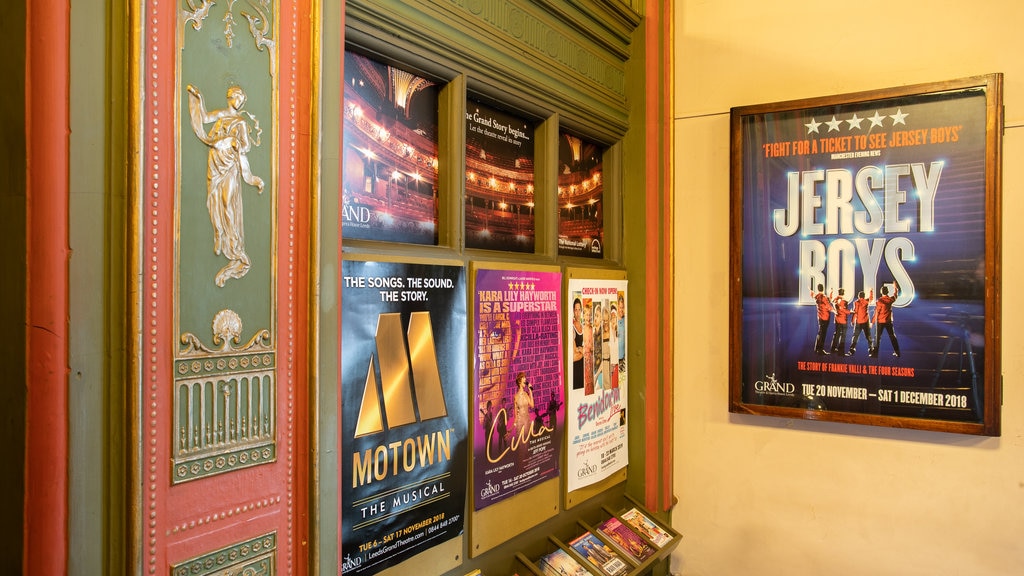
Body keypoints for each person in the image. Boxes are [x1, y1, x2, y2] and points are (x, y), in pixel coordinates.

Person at [186, 84, 265, 287]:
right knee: (214, 200)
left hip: (230, 165)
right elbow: (203, 118)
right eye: (238, 97)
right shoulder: (222, 113)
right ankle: (218, 234)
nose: (240, 101)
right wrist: (198, 98)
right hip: (215, 161)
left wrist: (234, 142)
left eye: (242, 99)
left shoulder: (240, 122)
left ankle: (233, 245)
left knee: (227, 201)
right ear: (231, 97)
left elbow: (246, 146)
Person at [870, 282, 901, 357]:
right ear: (887, 292)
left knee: (877, 338)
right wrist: (895, 288)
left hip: (880, 322)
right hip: (888, 321)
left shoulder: (880, 301)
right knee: (892, 337)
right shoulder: (890, 300)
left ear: (881, 292)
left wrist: (872, 322)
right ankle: (897, 352)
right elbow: (895, 296)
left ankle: (875, 354)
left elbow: (876, 313)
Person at [847, 289, 873, 355]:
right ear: (864, 296)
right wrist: (871, 291)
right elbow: (871, 298)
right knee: (868, 335)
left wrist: (852, 320)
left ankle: (852, 349)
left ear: (858, 296)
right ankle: (871, 349)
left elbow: (855, 312)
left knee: (855, 336)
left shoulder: (856, 302)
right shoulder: (866, 301)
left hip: (858, 321)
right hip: (865, 321)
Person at [811, 284, 833, 355]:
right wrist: (835, 312)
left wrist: (830, 293)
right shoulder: (824, 297)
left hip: (820, 317)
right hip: (825, 317)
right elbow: (829, 306)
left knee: (820, 332)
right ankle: (820, 350)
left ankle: (817, 348)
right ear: (823, 288)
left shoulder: (817, 296)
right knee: (823, 334)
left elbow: (813, 296)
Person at [830, 288, 851, 355]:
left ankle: (833, 349)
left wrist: (831, 293)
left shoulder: (835, 300)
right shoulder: (844, 301)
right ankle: (841, 351)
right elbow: (844, 310)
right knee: (843, 336)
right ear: (843, 293)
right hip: (843, 320)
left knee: (836, 334)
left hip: (837, 320)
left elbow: (831, 300)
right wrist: (850, 312)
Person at [572, 297, 585, 390]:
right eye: (575, 310)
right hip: (575, 370)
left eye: (579, 309)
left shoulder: (584, 327)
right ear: (573, 311)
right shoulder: (571, 328)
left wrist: (580, 349)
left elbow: (590, 349)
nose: (577, 312)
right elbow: (573, 356)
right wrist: (584, 351)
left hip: (584, 369)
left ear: (581, 311)